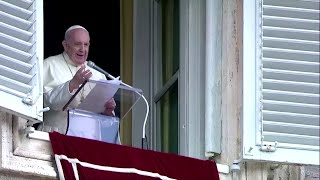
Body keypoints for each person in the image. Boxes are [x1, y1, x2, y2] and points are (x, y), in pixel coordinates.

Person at [39, 25, 116, 134]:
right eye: (77, 44)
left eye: (86, 45)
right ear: (65, 45)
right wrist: (72, 84)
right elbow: (47, 102)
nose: (82, 49)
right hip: (57, 136)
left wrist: (107, 111)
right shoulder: (49, 65)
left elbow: (105, 123)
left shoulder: (98, 74)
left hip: (89, 139)